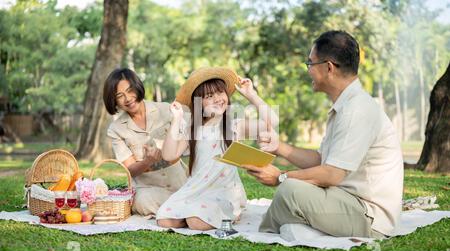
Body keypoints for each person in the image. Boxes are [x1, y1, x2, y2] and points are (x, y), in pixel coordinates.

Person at [243, 30, 404, 238]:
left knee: (290, 189)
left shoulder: (357, 110)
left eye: (310, 63)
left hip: (367, 215)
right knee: (292, 190)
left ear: (328, 67)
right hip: (342, 199)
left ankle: (265, 234)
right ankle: (292, 227)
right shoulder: (346, 105)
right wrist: (278, 147)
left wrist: (279, 177)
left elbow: (331, 174)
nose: (308, 69)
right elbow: (322, 160)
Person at [156, 67, 278, 230]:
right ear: (199, 103)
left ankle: (218, 212)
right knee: (164, 219)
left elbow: (273, 121)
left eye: (220, 92)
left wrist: (251, 95)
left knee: (196, 222)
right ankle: (196, 213)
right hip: (195, 189)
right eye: (209, 96)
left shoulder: (235, 126)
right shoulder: (193, 129)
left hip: (223, 191)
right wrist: (177, 119)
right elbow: (169, 155)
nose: (218, 99)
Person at [103, 68, 188, 217]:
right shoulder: (116, 129)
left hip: (179, 183)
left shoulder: (166, 110)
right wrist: (147, 161)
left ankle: (175, 212)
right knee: (141, 202)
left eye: (130, 90)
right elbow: (130, 170)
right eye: (120, 95)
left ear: (137, 86)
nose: (128, 98)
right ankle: (183, 212)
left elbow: (186, 143)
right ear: (114, 100)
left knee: (192, 192)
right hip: (150, 190)